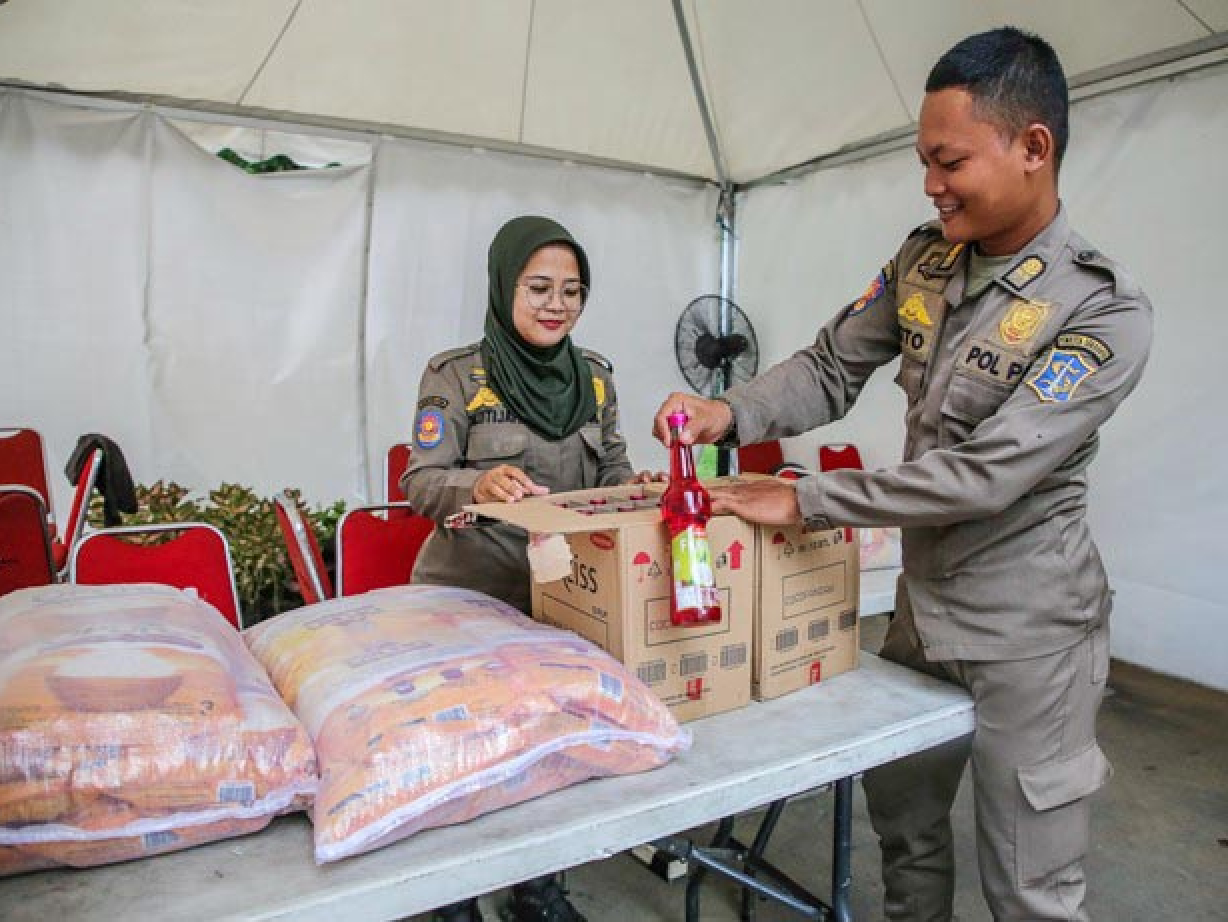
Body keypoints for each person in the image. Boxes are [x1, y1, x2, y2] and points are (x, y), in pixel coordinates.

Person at [654, 28, 1152, 922]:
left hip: (1029, 633)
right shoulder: (924, 261)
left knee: (1029, 887)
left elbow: (986, 475)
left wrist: (808, 498)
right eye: (924, 161)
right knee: (907, 836)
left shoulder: (1101, 310)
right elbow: (829, 367)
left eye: (950, 161)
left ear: (1033, 147)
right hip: (922, 616)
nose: (931, 184)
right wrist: (727, 413)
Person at [403, 214, 657, 922]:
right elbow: (420, 481)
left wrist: (639, 489)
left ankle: (538, 891)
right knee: (462, 752)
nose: (557, 305)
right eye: (539, 287)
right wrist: (476, 484)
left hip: (561, 601)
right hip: (466, 599)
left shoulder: (595, 380)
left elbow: (612, 469)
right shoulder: (456, 375)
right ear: (504, 286)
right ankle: (451, 897)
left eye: (572, 291)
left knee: (553, 751)